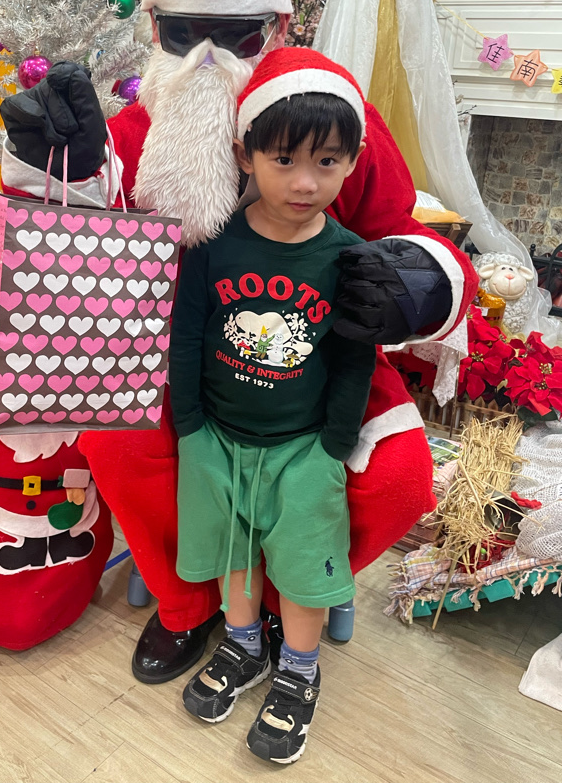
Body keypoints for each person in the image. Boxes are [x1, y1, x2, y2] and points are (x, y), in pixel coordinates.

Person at [0, 0, 478, 662]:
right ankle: (188, 603)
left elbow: (408, 228)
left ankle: (296, 584)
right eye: (186, 33)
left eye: (239, 34)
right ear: (154, 25)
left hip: (314, 357)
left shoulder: (334, 123)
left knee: (402, 474)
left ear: (279, 25)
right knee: (118, 448)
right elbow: (69, 248)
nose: (211, 58)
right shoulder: (139, 128)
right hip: (170, 361)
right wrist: (51, 162)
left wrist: (413, 284)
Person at [170, 47, 376, 764]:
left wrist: (333, 446)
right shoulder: (213, 245)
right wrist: (190, 427)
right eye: (284, 160)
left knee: (302, 559)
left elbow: (354, 358)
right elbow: (186, 336)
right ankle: (243, 644)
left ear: (351, 163)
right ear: (245, 155)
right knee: (233, 549)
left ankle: (299, 670)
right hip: (218, 436)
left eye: (327, 162)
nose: (305, 181)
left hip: (303, 445)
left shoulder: (349, 258)